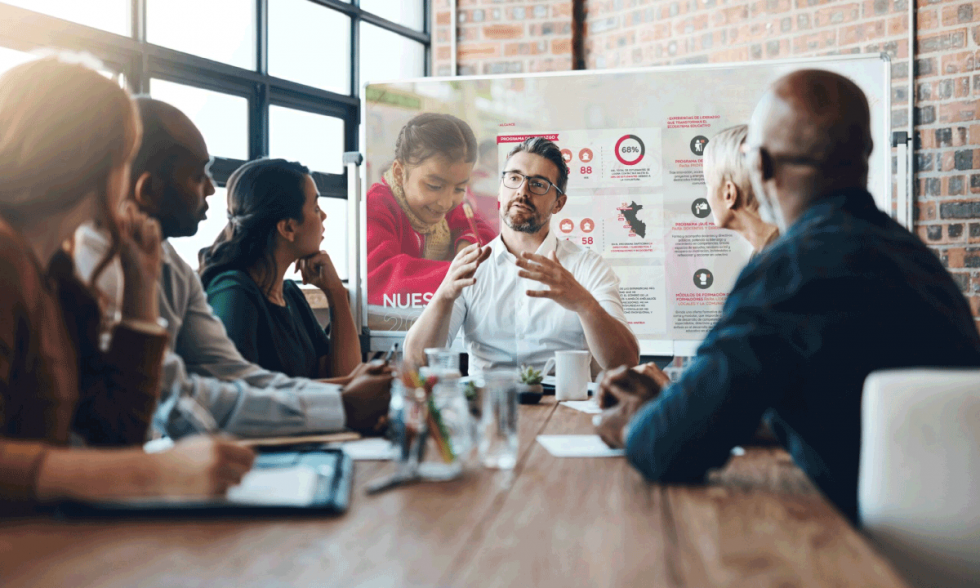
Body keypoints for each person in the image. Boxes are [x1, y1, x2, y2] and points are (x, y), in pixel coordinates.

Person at [595, 70, 980, 525]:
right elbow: (819, 402)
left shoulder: (790, 272)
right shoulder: (913, 257)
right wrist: (676, 401)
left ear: (760, 167)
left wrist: (635, 420)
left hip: (867, 543)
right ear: (866, 155)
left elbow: (667, 448)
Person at [0, 55, 254, 510]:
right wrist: (148, 472)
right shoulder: (7, 259)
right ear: (96, 166)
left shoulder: (60, 279)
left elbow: (115, 434)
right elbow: (122, 460)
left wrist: (141, 289)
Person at [74, 98, 391, 438]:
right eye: (198, 176)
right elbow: (174, 400)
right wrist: (342, 403)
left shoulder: (175, 268)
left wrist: (344, 396)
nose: (212, 189)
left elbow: (236, 374)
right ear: (148, 190)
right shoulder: (96, 267)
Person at [404, 137, 640, 376]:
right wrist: (444, 295)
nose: (522, 191)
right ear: (500, 190)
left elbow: (625, 361)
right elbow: (416, 361)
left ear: (559, 203)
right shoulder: (471, 266)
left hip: (563, 399)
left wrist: (584, 303)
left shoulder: (587, 266)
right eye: (514, 178)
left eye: (538, 184)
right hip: (487, 398)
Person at [199, 158, 359, 380]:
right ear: (288, 228)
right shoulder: (233, 293)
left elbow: (344, 375)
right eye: (315, 208)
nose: (323, 216)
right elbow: (241, 390)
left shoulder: (291, 295)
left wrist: (336, 293)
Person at [367, 113, 496, 307]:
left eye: (459, 189)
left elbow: (479, 228)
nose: (446, 203)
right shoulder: (377, 207)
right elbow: (379, 278)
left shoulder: (448, 208)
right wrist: (458, 273)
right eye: (434, 186)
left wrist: (466, 247)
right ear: (399, 173)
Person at [703, 124, 779, 253]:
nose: (707, 197)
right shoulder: (772, 250)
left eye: (708, 184)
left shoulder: (778, 258)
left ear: (729, 194)